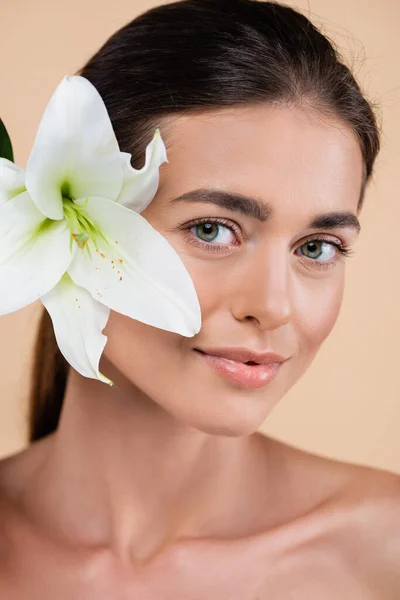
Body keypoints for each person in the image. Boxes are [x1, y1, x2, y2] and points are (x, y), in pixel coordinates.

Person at [0, 0, 399, 597]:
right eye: (211, 229)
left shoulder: (381, 549)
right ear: (74, 229)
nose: (274, 306)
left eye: (317, 247)